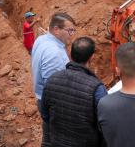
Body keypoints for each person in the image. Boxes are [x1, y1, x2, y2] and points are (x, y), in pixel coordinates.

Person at [41, 37, 107, 147]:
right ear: (92, 57)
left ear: (70, 55)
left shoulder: (52, 79)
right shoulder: (97, 88)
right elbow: (105, 125)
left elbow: (45, 115)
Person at [31, 12, 76, 147]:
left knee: (48, 136)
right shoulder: (54, 54)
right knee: (58, 139)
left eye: (73, 30)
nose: (72, 35)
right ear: (56, 30)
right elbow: (55, 90)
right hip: (53, 105)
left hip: (42, 98)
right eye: (70, 30)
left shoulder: (42, 39)